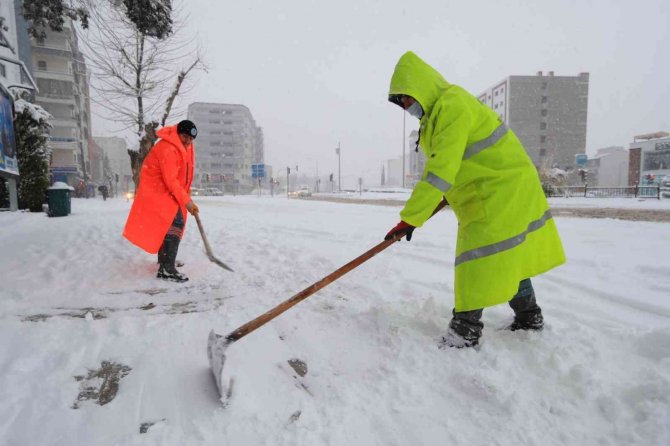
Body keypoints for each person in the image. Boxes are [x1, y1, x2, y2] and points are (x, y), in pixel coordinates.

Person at [384, 51, 566, 348]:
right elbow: (454, 165)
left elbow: (440, 169)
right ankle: (529, 316)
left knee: (476, 259)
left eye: (407, 98)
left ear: (420, 87)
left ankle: (465, 329)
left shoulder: (451, 106)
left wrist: (410, 217)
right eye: (402, 102)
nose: (407, 106)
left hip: (499, 190)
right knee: (504, 255)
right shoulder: (437, 116)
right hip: (496, 189)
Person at [123, 120, 199, 282]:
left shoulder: (182, 147)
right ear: (178, 133)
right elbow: (171, 180)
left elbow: (182, 178)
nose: (188, 141)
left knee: (170, 225)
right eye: (185, 136)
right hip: (158, 190)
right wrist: (187, 202)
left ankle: (165, 261)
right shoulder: (168, 148)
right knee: (175, 223)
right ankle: (167, 268)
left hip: (166, 190)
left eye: (191, 139)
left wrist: (187, 196)